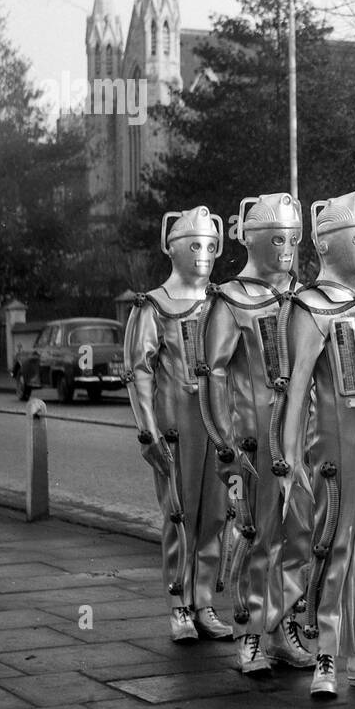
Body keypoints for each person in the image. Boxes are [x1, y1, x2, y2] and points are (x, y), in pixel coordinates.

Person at [280, 191, 355, 699]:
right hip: (332, 443)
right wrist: (287, 455)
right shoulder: (310, 305)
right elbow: (296, 386)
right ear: (326, 246)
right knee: (332, 544)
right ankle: (327, 652)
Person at [198, 192, 309, 674]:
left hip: (303, 435)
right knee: (257, 534)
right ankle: (250, 633)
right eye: (277, 238)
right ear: (255, 239)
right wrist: (224, 439)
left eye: (294, 238)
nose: (287, 248)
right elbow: (212, 373)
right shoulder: (231, 299)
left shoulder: (303, 297)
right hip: (254, 437)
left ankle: (283, 623)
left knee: (301, 535)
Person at [123, 206, 233, 643]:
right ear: (173, 249)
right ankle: (178, 605)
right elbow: (139, 369)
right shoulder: (155, 306)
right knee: (178, 513)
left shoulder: (221, 302)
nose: (204, 254)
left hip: (217, 425)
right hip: (175, 426)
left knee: (215, 515)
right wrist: (147, 428)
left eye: (210, 246)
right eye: (194, 245)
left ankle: (203, 601)